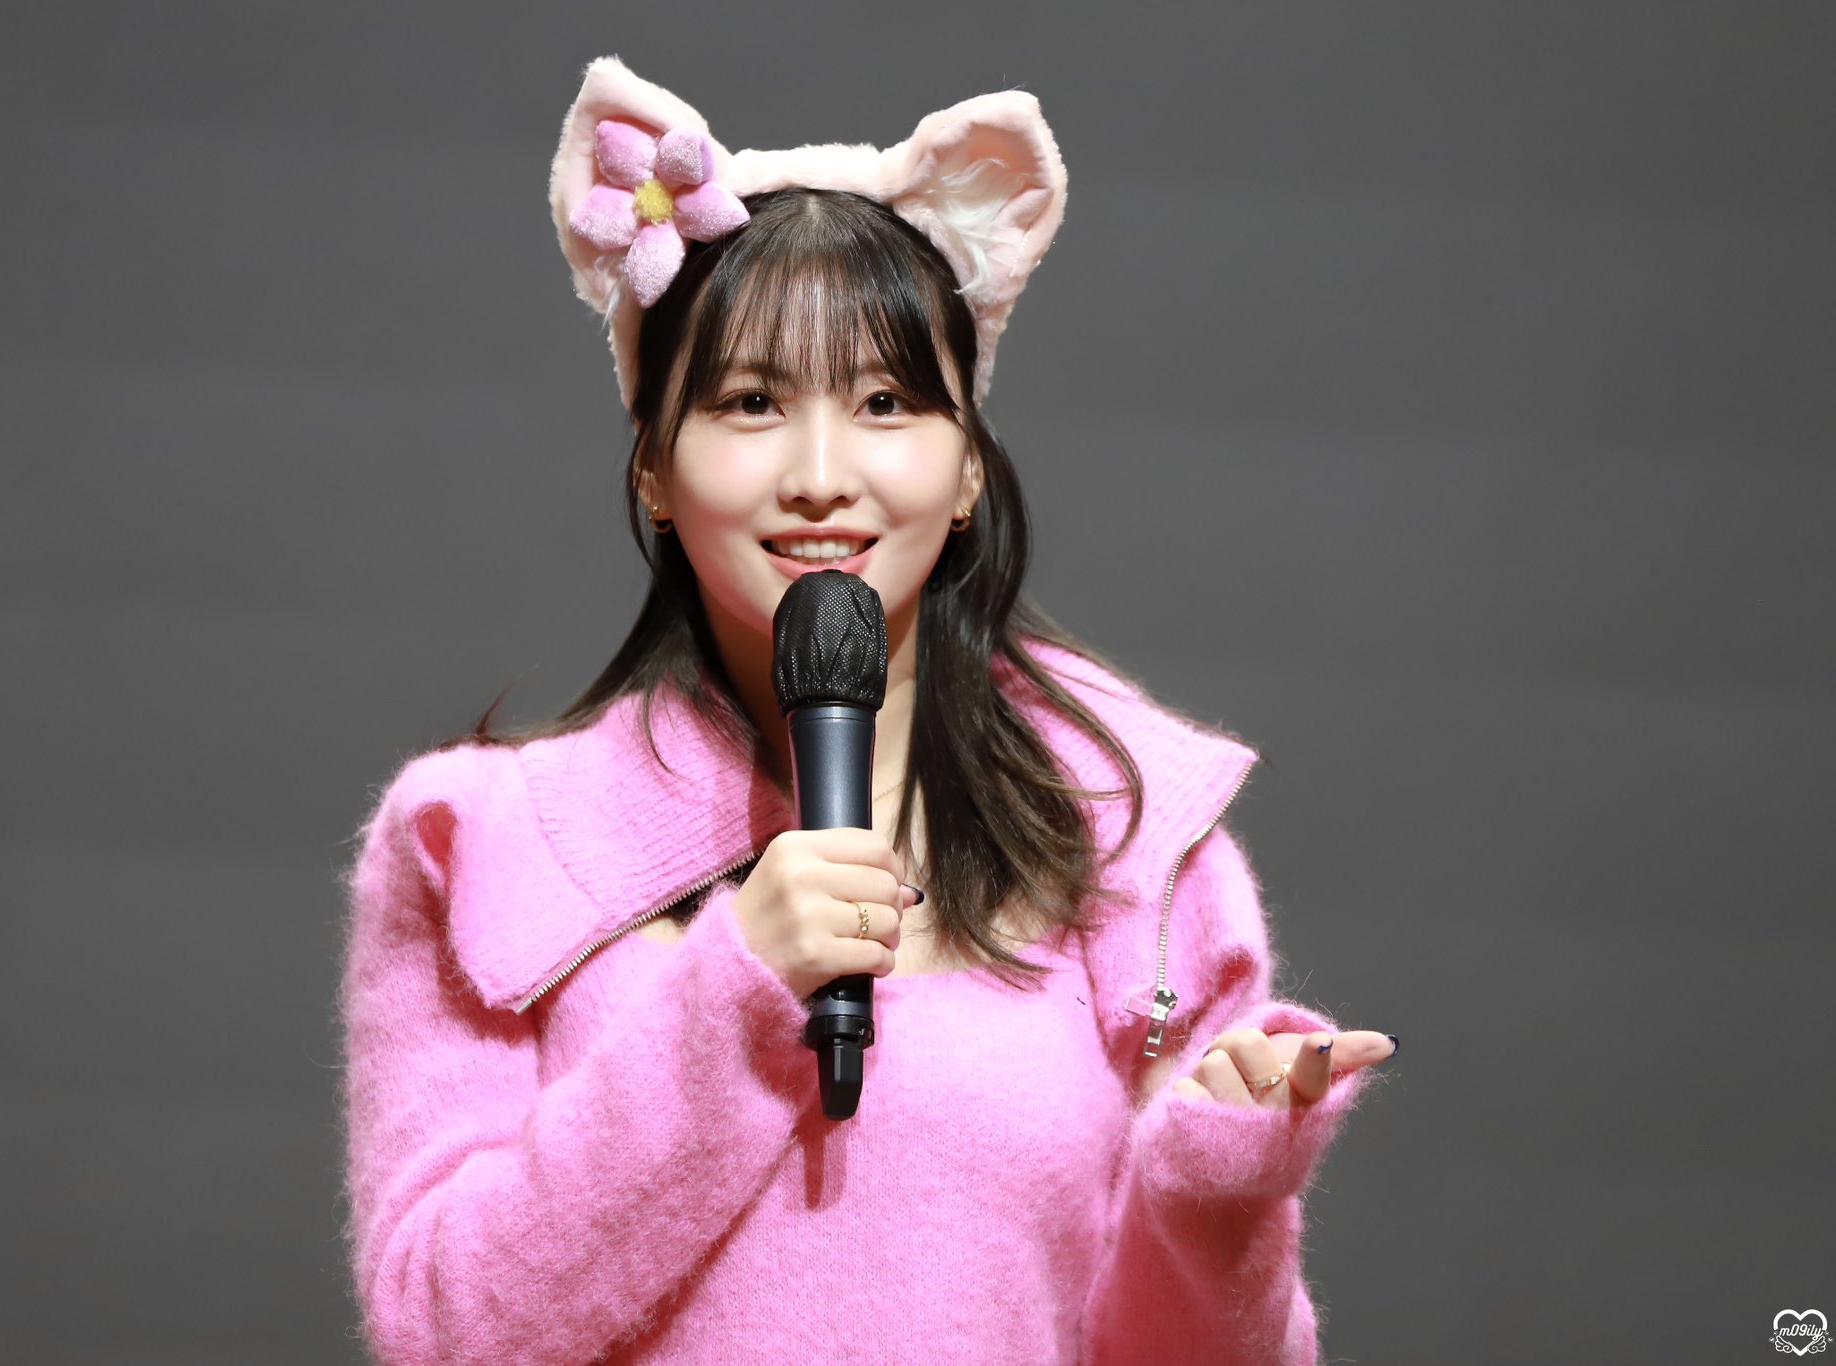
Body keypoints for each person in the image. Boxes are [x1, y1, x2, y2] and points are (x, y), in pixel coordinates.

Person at [336, 55, 1397, 1365]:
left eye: (887, 402)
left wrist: (1216, 1198)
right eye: (752, 403)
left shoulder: (1131, 850)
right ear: (654, 465)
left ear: (968, 469)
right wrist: (735, 991)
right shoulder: (485, 849)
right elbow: (441, 1329)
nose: (822, 475)